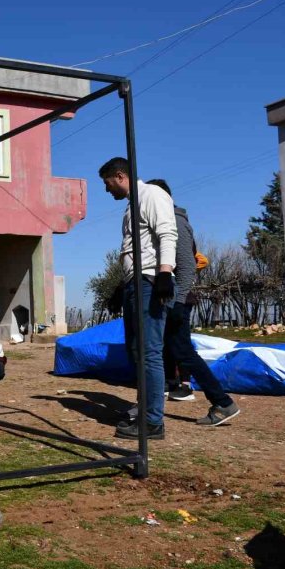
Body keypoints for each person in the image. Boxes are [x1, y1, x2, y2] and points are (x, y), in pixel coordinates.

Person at [146, 179, 241, 426]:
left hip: (176, 300)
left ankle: (221, 402)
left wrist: (177, 300)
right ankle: (220, 402)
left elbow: (187, 265)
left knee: (177, 351)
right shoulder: (168, 220)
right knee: (175, 350)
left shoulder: (176, 222)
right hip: (171, 299)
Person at [100, 157, 177, 440]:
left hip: (150, 282)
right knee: (136, 351)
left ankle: (153, 422)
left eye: (107, 184)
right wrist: (122, 287)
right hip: (136, 284)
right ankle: (145, 409)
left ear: (120, 176)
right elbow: (135, 249)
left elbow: (167, 233)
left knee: (149, 352)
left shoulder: (152, 195)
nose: (107, 190)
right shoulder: (130, 207)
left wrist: (165, 273)